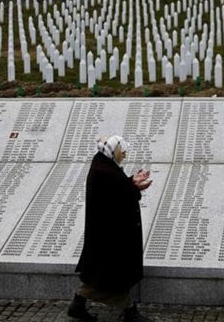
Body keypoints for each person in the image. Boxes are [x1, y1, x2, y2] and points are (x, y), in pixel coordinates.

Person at [68, 135, 153, 322]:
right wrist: (133, 187)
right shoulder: (103, 171)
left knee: (105, 276)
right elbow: (116, 197)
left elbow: (117, 190)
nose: (124, 155)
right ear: (114, 152)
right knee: (113, 277)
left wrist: (131, 182)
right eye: (122, 152)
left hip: (108, 234)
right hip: (110, 236)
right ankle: (130, 312)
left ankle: (78, 304)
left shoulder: (104, 167)